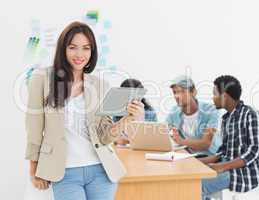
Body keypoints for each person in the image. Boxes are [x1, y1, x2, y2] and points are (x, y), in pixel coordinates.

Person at [25, 21, 144, 200]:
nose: (79, 54)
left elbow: (105, 136)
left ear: (92, 52)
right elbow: (33, 128)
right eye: (73, 47)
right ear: (63, 49)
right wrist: (34, 168)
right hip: (64, 172)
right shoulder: (41, 79)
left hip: (101, 170)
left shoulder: (99, 85)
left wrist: (128, 119)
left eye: (86, 48)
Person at [200, 75, 259, 200]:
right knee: (192, 179)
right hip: (228, 168)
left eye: (215, 94)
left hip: (245, 174)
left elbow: (253, 152)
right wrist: (198, 162)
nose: (212, 98)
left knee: (196, 185)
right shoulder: (226, 119)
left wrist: (222, 166)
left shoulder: (252, 115)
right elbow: (223, 152)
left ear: (224, 96)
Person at [166, 76, 221, 156]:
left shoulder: (210, 110)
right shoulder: (174, 112)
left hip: (210, 156)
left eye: (182, 91)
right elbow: (164, 130)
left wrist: (181, 141)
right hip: (189, 155)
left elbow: (205, 143)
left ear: (193, 92)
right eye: (175, 92)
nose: (177, 96)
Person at [113, 78, 157, 145]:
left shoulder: (150, 114)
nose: (133, 101)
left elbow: (154, 138)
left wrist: (140, 118)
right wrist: (116, 140)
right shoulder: (116, 114)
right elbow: (111, 137)